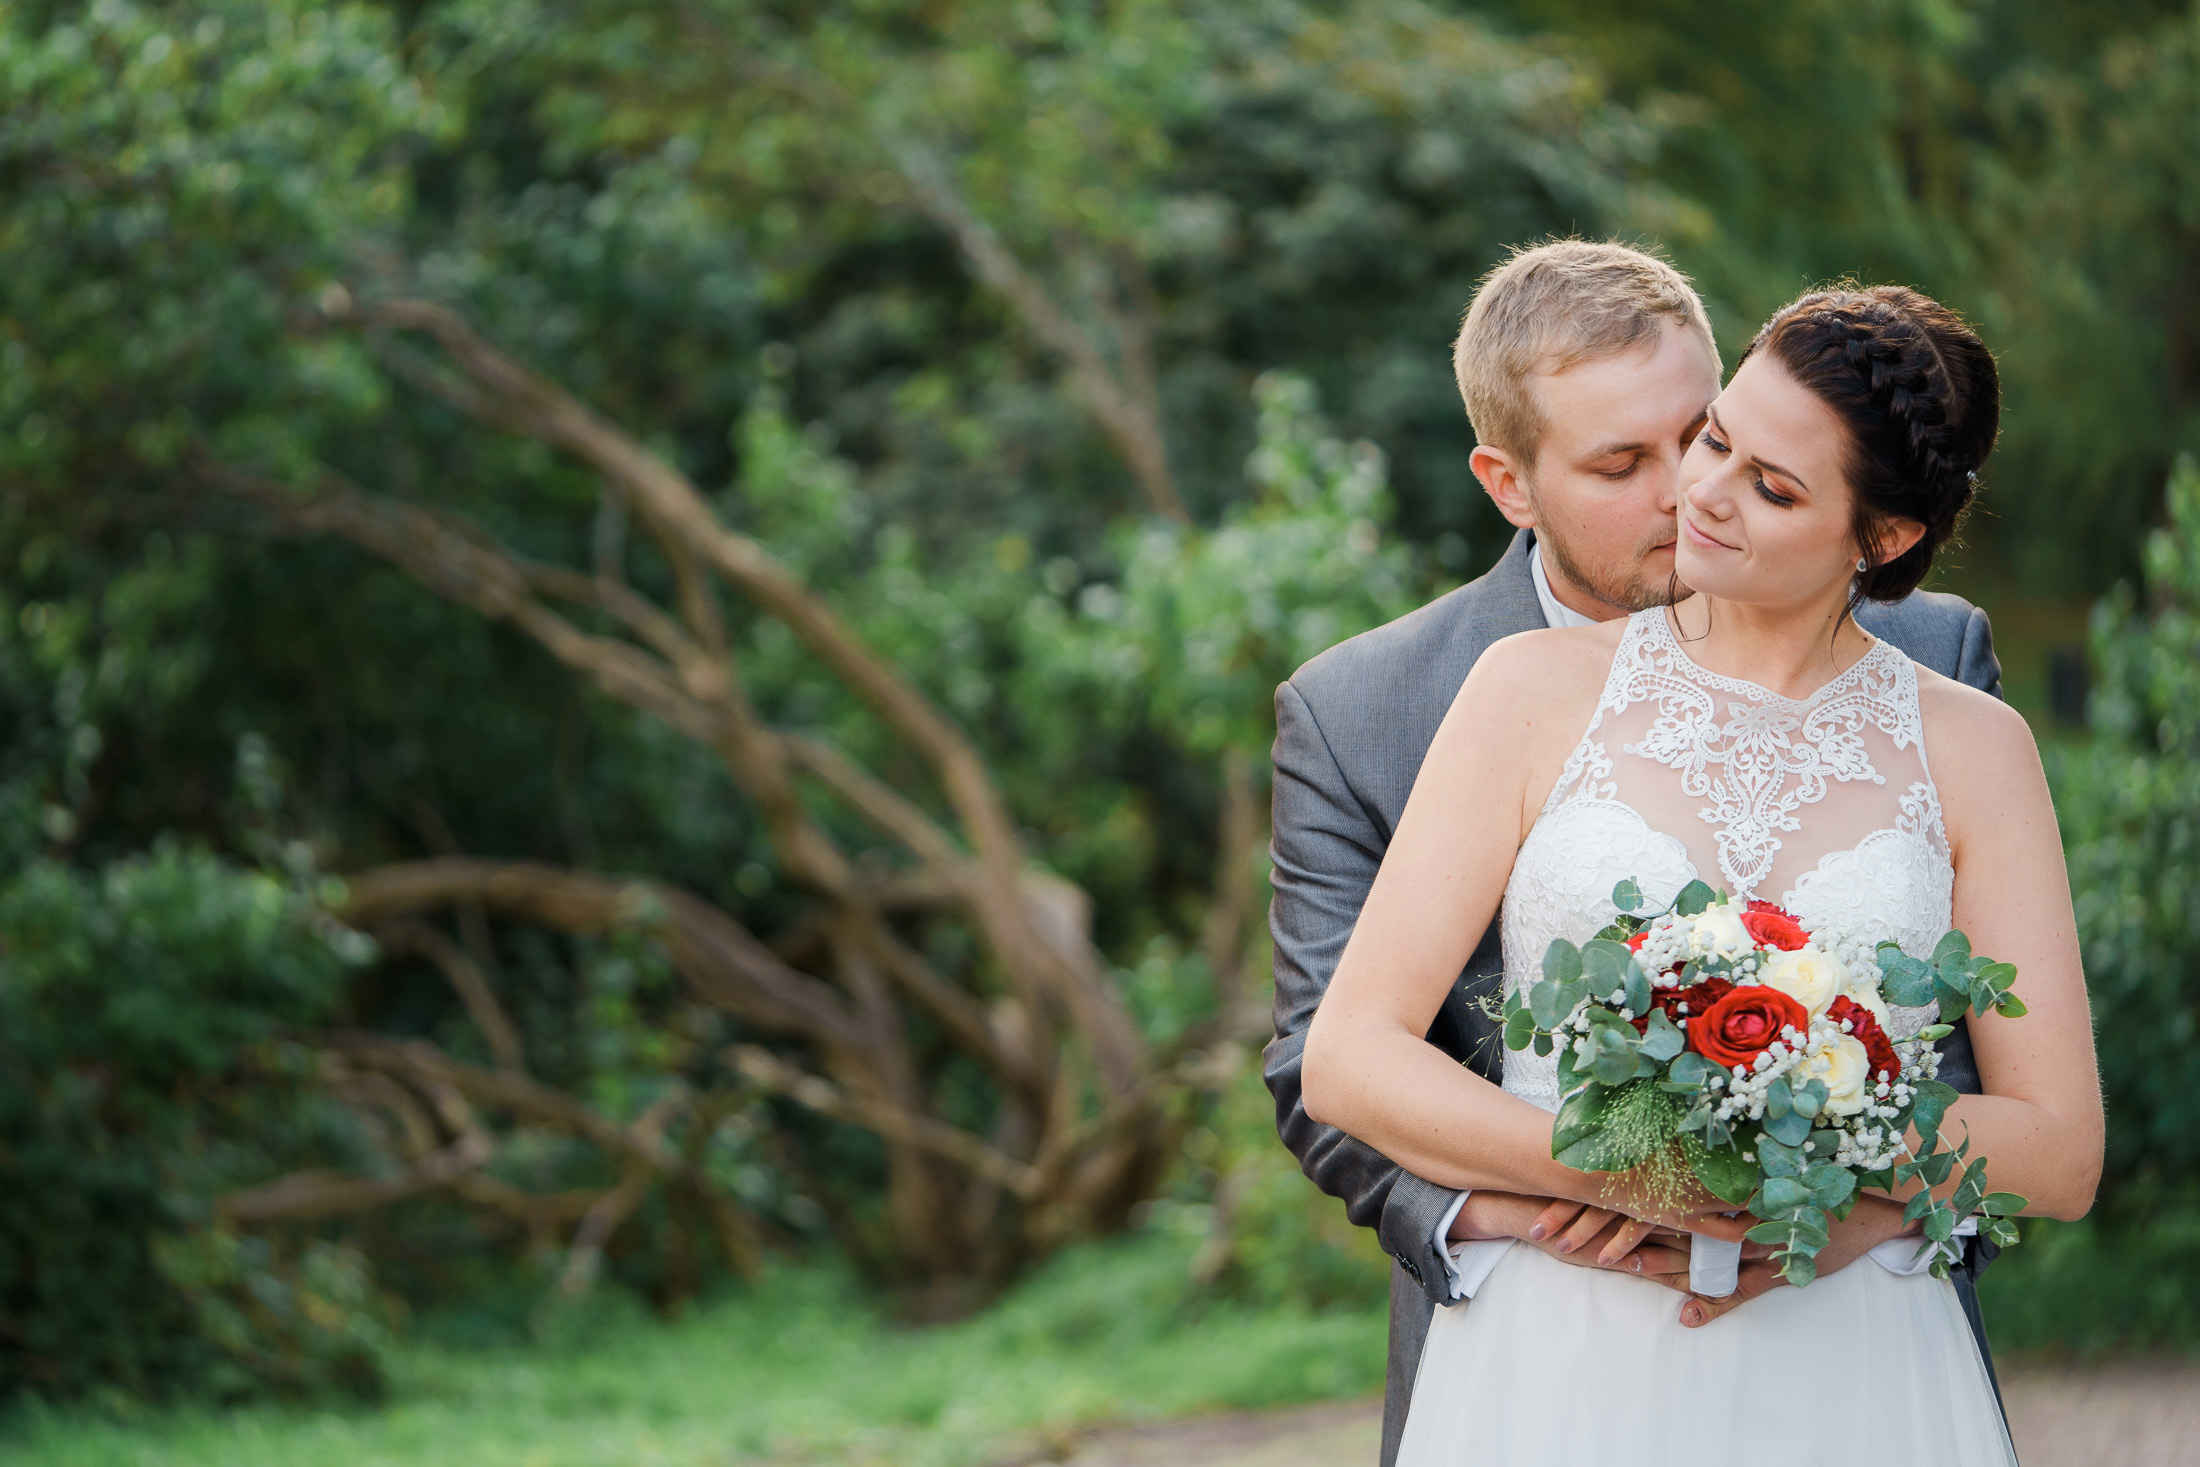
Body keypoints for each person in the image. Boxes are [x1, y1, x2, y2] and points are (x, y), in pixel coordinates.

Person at [1294, 277, 2105, 1464]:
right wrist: (1626, 1172)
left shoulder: (1974, 747)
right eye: (1716, 439)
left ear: (1882, 539)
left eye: (1770, 486)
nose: (1700, 494)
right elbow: (1346, 1057)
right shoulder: (1526, 689)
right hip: (1557, 1353)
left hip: (1853, 1354)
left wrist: (1834, 1181)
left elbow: (2060, 1149)